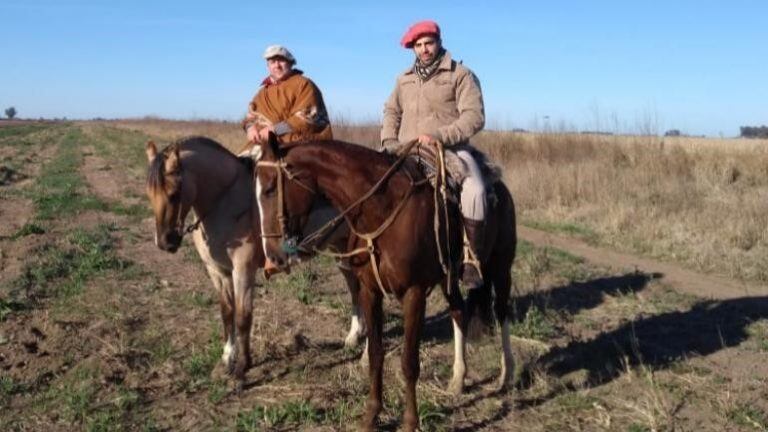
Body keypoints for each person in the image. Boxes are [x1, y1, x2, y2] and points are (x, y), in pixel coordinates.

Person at [381, 20, 487, 289]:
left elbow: (474, 117)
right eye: (418, 45)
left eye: (429, 43)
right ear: (413, 48)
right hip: (405, 150)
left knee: (475, 190)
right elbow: (391, 111)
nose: (424, 49)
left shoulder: (460, 74)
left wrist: (441, 136)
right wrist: (389, 140)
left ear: (439, 42)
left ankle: (470, 258)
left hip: (449, 149)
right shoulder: (403, 79)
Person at [241, 45, 332, 154]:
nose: (277, 65)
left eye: (281, 61)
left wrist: (274, 130)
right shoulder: (262, 93)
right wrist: (250, 128)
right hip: (263, 145)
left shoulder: (304, 85)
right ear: (268, 66)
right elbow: (250, 117)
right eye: (272, 62)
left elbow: (307, 117)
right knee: (238, 165)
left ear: (290, 63)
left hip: (298, 145)